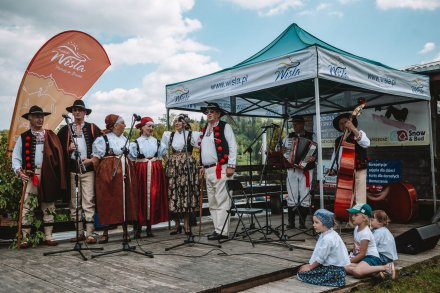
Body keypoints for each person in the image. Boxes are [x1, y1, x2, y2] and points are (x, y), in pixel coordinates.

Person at [12, 105, 66, 248]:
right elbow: (16, 157)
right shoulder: (23, 137)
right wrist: (19, 172)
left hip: (48, 174)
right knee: (27, 206)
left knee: (49, 205)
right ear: (29, 118)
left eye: (41, 116)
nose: (39, 119)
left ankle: (48, 236)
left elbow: (58, 155)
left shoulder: (51, 135)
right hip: (30, 175)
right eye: (36, 116)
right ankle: (25, 238)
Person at [57, 100, 101, 244]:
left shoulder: (92, 128)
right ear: (72, 112)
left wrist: (91, 159)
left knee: (88, 201)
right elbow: (57, 150)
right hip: (72, 171)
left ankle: (90, 233)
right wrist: (67, 149)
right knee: (75, 203)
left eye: (80, 110)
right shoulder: (65, 130)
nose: (77, 112)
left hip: (88, 171)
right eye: (74, 110)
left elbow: (101, 147)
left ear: (85, 112)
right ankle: (79, 232)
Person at [91, 114, 138, 243]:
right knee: (107, 199)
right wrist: (102, 174)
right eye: (122, 123)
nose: (125, 125)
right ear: (115, 125)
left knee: (124, 200)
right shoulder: (103, 139)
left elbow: (132, 158)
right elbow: (96, 160)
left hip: (124, 171)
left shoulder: (126, 140)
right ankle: (105, 232)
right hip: (108, 172)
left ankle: (125, 231)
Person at [199, 103, 237, 241]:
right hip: (208, 169)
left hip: (221, 168)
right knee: (213, 202)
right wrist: (202, 166)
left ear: (218, 114)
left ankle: (223, 231)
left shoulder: (224, 126)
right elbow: (204, 150)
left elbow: (233, 146)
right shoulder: (205, 130)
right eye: (208, 111)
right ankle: (217, 229)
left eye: (212, 111)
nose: (209, 113)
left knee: (222, 200)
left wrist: (231, 165)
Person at [129, 116, 168, 238]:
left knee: (153, 196)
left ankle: (149, 227)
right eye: (149, 126)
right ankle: (138, 228)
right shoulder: (135, 143)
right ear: (142, 127)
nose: (151, 128)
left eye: (152, 126)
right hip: (141, 171)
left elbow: (164, 156)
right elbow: (131, 159)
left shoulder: (157, 142)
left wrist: (169, 167)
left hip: (155, 172)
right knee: (140, 197)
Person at [162, 114, 201, 235]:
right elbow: (162, 150)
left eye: (179, 121)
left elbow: (202, 147)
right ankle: (177, 225)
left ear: (185, 123)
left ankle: (187, 224)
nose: (176, 123)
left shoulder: (192, 135)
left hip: (187, 167)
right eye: (175, 121)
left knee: (186, 193)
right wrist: (168, 160)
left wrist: (197, 162)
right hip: (173, 167)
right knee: (174, 194)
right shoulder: (169, 135)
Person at [297, 209, 350, 287]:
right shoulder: (328, 233)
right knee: (302, 269)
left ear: (325, 224)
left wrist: (310, 267)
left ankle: (334, 280)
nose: (313, 225)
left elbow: (321, 258)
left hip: (333, 271)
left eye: (317, 222)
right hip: (333, 268)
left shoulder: (328, 238)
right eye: (313, 222)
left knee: (301, 274)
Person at [344, 203, 396, 279]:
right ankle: (374, 272)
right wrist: (352, 256)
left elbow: (362, 254)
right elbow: (356, 247)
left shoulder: (366, 233)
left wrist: (350, 261)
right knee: (344, 267)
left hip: (372, 258)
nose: (352, 217)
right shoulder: (356, 228)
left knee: (356, 272)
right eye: (352, 214)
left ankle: (385, 267)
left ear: (364, 218)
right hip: (366, 258)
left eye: (356, 214)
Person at [283, 115, 316, 229]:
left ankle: (302, 223)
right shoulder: (289, 137)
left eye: (296, 124)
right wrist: (284, 152)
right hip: (292, 169)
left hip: (305, 169)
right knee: (291, 195)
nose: (295, 126)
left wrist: (313, 157)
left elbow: (316, 151)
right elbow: (283, 150)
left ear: (302, 124)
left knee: (304, 195)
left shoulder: (311, 136)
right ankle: (291, 222)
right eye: (293, 124)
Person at [329, 113, 370, 206]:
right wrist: (334, 169)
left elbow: (366, 143)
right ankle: (347, 218)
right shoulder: (338, 140)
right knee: (345, 199)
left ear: (351, 123)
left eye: (346, 122)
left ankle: (360, 219)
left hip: (358, 171)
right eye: (341, 123)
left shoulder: (358, 134)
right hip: (343, 172)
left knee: (359, 199)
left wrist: (353, 129)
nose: (344, 125)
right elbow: (336, 156)